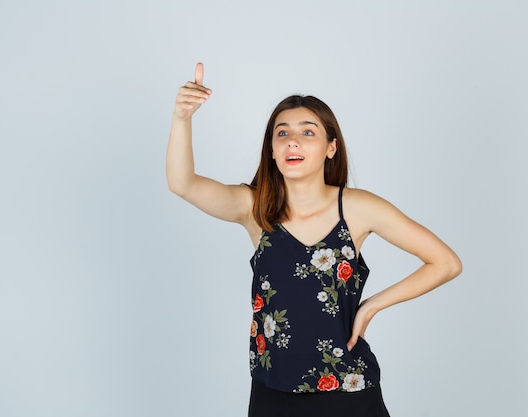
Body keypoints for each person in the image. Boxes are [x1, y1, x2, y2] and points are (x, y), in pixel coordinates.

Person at [166, 63, 462, 417]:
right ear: (272, 151)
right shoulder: (255, 208)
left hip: (348, 391)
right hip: (273, 392)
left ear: (331, 147)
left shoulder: (357, 208)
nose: (293, 140)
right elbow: (182, 184)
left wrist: (370, 307)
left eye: (308, 132)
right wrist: (182, 119)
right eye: (282, 133)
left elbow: (445, 263)